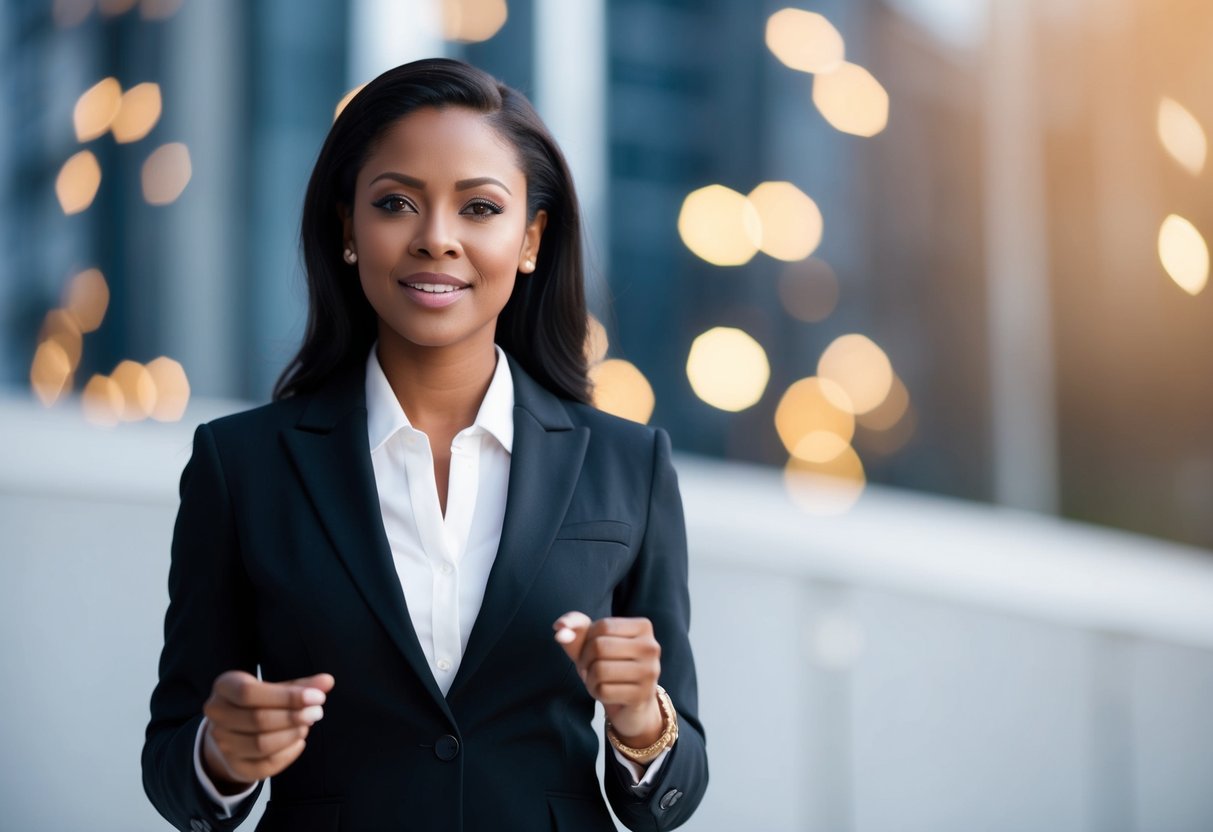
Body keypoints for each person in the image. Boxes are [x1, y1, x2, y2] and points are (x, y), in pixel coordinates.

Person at [141, 58, 707, 832]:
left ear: (532, 238)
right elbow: (174, 771)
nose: (436, 239)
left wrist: (642, 719)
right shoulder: (240, 466)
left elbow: (671, 797)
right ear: (348, 228)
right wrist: (222, 755)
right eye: (396, 203)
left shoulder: (628, 466)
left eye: (479, 208)